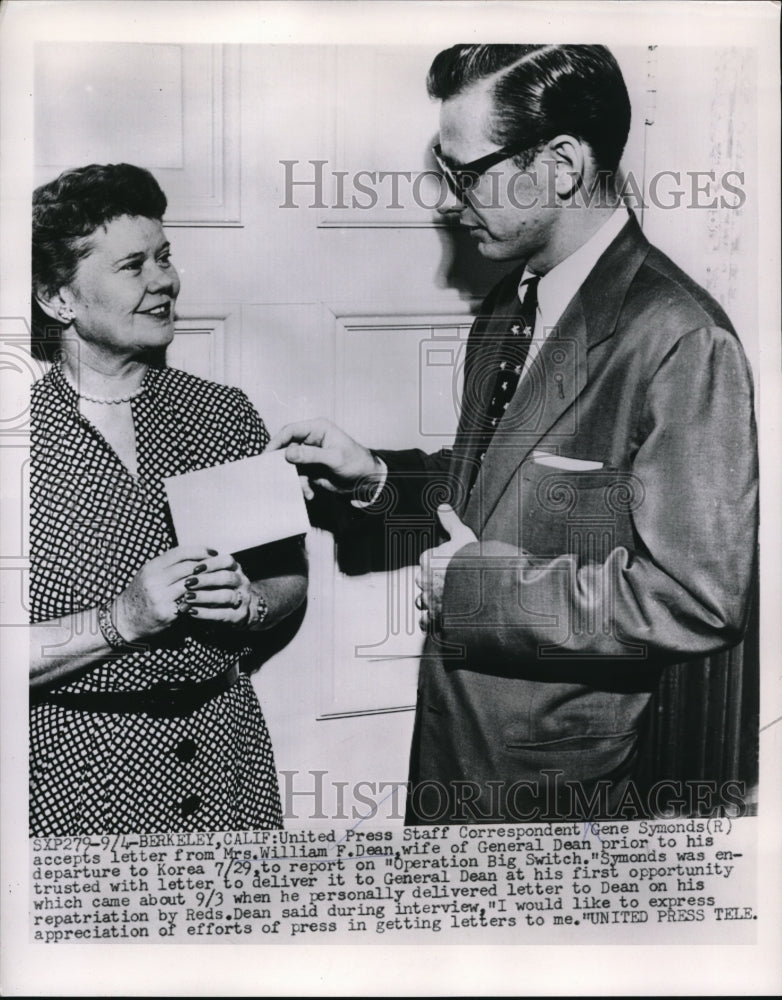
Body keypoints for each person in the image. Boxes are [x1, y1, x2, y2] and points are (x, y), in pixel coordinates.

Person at [269, 45, 758, 824]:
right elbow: (495, 498)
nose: (452, 200)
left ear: (562, 164)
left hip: (571, 802)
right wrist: (375, 482)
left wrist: (474, 591)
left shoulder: (679, 338)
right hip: (455, 769)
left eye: (466, 172)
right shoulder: (509, 306)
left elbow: (697, 599)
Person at [30, 162, 307, 835]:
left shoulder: (222, 415)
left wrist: (251, 602)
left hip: (226, 763)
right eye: (133, 265)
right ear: (58, 300)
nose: (165, 281)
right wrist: (119, 620)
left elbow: (287, 579)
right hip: (77, 777)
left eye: (165, 256)